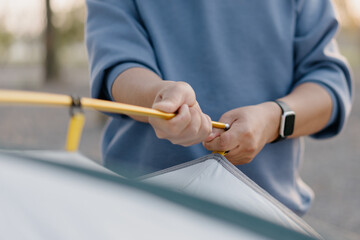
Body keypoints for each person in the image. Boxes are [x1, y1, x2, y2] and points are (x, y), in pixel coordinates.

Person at [85, 0, 353, 215]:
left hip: (267, 215)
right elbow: (118, 65)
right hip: (141, 209)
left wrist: (273, 120)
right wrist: (159, 99)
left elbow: (328, 85)